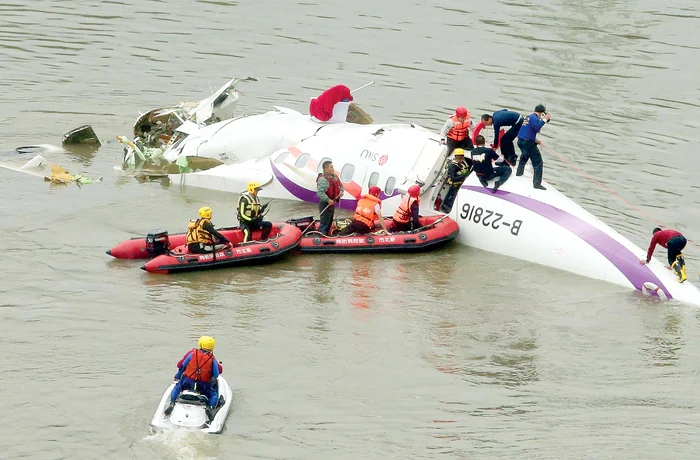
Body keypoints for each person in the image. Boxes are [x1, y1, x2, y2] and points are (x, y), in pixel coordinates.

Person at [165, 336, 222, 421]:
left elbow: (182, 366)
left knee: (177, 387)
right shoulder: (212, 359)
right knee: (214, 395)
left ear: (200, 344)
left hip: (187, 383)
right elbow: (216, 375)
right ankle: (210, 408)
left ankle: (172, 403)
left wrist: (177, 376)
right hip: (203, 386)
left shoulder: (192, 354)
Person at [516, 104, 551, 190]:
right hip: (528, 143)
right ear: (542, 113)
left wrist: (534, 139)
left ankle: (519, 174)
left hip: (521, 141)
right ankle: (537, 184)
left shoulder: (529, 117)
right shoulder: (535, 118)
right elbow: (536, 127)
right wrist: (545, 119)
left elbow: (528, 130)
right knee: (538, 163)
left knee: (524, 156)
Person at [316, 160, 345, 235]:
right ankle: (322, 236)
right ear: (326, 169)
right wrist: (328, 199)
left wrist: (341, 191)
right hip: (325, 203)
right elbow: (320, 193)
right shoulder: (323, 179)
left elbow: (341, 185)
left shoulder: (334, 176)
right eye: (331, 167)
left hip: (332, 202)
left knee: (330, 220)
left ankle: (326, 233)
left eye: (333, 167)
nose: (333, 169)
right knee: (325, 221)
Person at [440, 148, 470, 213]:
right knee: (451, 196)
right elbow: (453, 178)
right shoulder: (453, 166)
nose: (460, 160)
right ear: (455, 157)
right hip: (454, 185)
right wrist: (463, 175)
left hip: (460, 183)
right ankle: (445, 207)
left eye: (461, 158)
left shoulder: (463, 163)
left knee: (454, 196)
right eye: (458, 159)